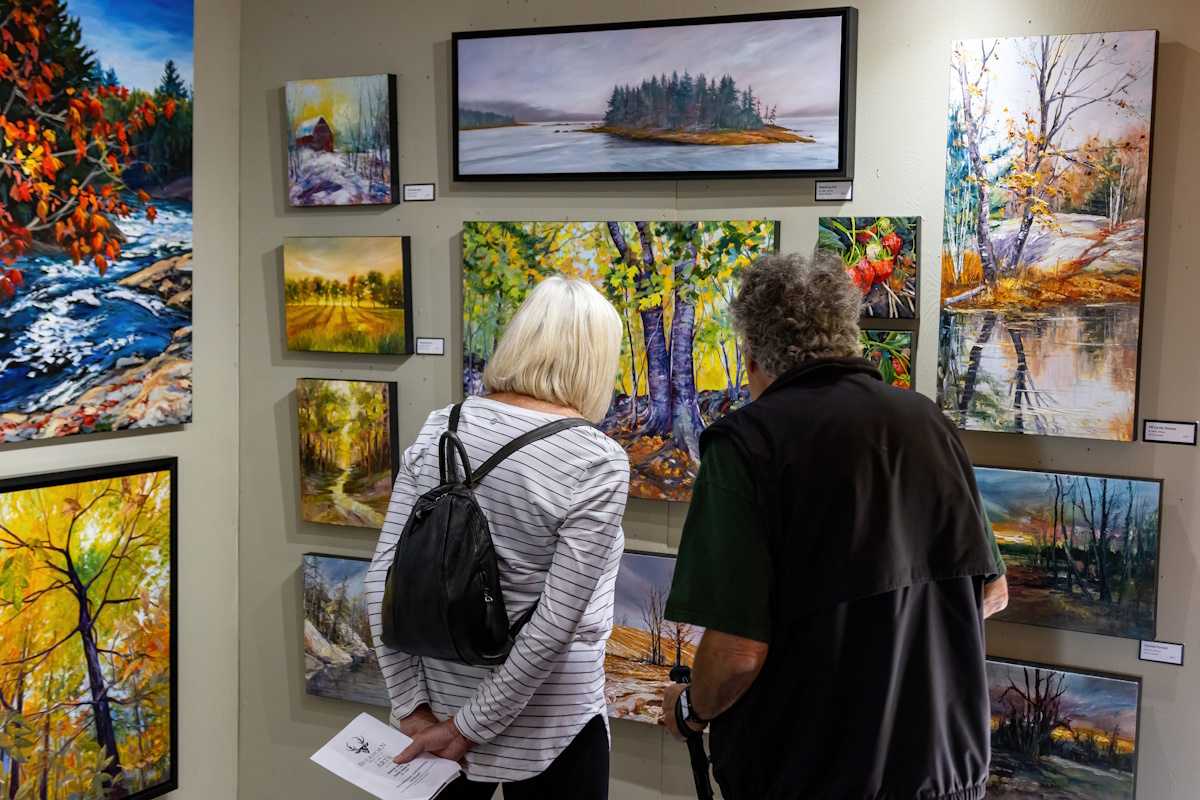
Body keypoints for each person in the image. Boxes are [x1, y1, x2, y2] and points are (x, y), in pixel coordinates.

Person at [659, 251, 1007, 800]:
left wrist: (690, 711)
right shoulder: (928, 423)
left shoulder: (746, 446)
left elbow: (736, 654)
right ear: (848, 332)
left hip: (812, 777)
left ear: (752, 355)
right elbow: (991, 593)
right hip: (946, 775)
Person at [365, 277, 630, 799]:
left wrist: (415, 709)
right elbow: (554, 626)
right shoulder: (595, 459)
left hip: (438, 717)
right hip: (552, 727)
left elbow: (382, 581)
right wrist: (467, 728)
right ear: (597, 361)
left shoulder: (446, 424)